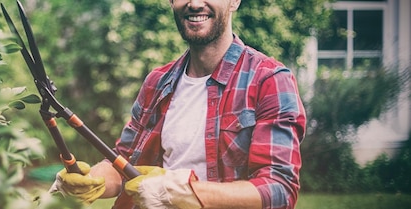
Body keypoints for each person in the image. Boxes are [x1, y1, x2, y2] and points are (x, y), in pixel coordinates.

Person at [49, 0, 306, 208]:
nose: (194, 4)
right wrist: (92, 180)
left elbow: (279, 189)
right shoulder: (157, 82)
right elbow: (124, 162)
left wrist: (186, 192)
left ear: (234, 1)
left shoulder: (269, 80)